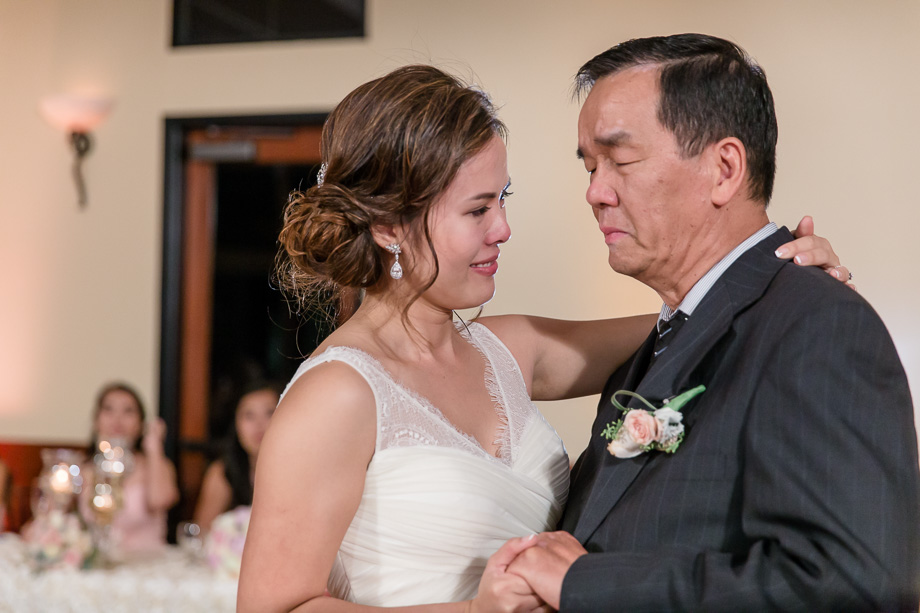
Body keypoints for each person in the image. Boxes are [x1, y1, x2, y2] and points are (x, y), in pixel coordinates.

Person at [237, 64, 847, 611]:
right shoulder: (337, 396)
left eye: (502, 200)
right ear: (389, 224)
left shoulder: (509, 351)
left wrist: (780, 278)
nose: (503, 228)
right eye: (477, 210)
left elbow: (700, 323)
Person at [493, 34, 920, 612]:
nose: (594, 191)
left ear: (724, 169)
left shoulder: (818, 327)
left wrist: (585, 586)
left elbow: (852, 588)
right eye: (590, 166)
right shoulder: (676, 333)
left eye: (619, 160)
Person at [80, 382, 180, 552]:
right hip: (97, 562)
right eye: (109, 409)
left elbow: (160, 500)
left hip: (145, 563)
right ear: (96, 420)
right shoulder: (84, 469)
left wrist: (154, 449)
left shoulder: (157, 465)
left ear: (141, 423)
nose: (117, 419)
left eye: (128, 411)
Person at [193, 380, 279, 534]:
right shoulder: (223, 472)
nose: (259, 424)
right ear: (236, 424)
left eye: (269, 413)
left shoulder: (299, 472)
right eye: (249, 415)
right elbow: (203, 534)